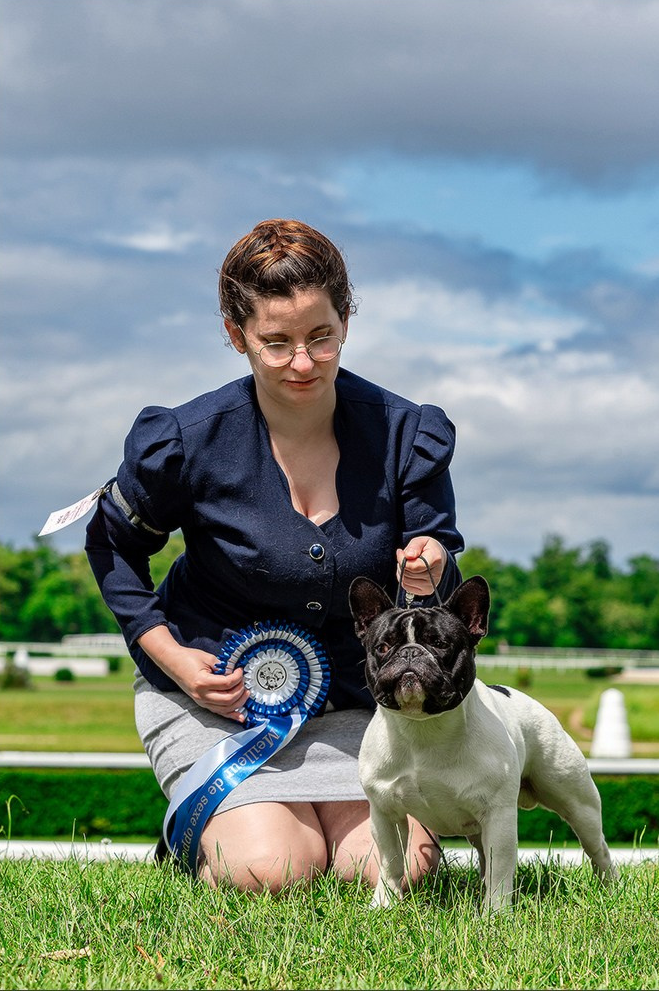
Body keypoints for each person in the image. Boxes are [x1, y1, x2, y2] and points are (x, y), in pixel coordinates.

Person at [85, 218, 465, 893]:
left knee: (394, 872)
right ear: (237, 335)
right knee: (273, 871)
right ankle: (211, 832)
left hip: (359, 703)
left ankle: (306, 821)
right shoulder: (183, 440)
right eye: (276, 342)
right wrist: (172, 658)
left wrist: (431, 567)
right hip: (217, 700)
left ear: (346, 318)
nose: (303, 362)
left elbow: (441, 564)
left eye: (321, 336)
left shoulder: (409, 433)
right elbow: (112, 543)